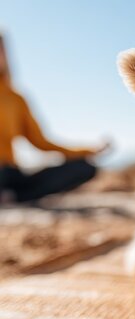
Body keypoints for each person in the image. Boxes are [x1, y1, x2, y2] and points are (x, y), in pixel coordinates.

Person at [0, 34, 105, 203]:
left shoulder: (16, 99)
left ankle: (13, 196)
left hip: (9, 173)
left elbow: (41, 142)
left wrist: (86, 151)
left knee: (84, 168)